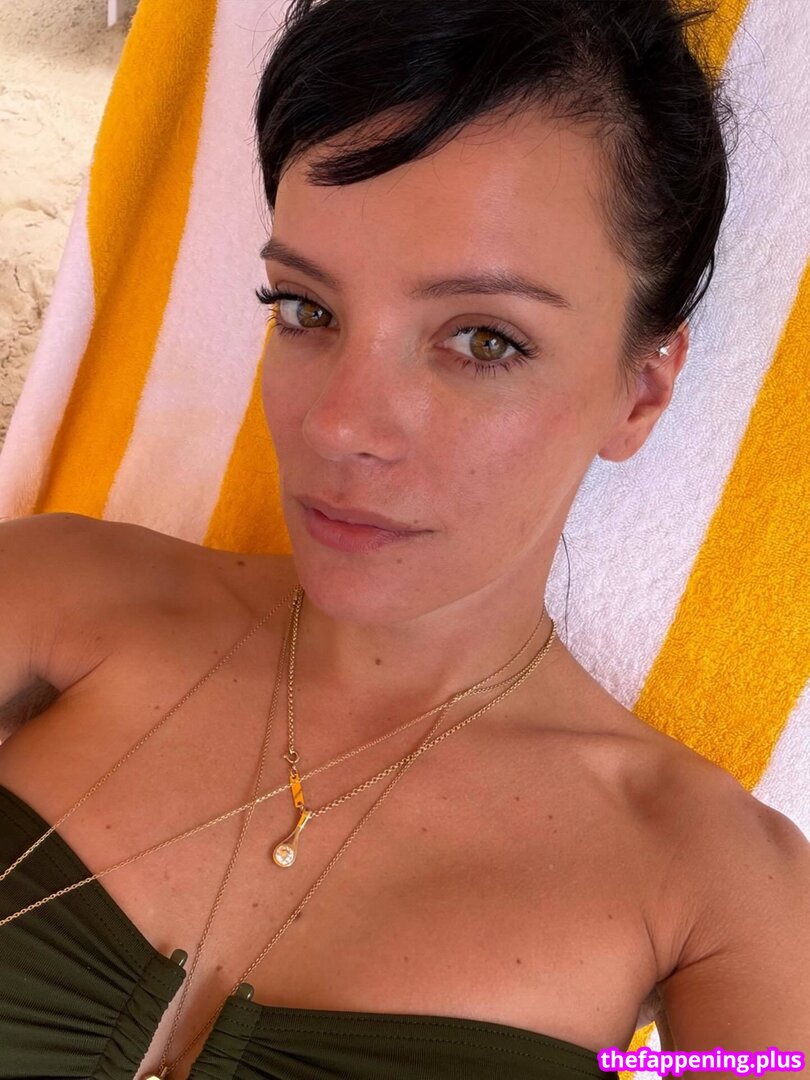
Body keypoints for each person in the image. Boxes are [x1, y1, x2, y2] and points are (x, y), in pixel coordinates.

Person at [1, 1, 808, 1078]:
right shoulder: (59, 594)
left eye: (484, 339)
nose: (340, 426)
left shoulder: (719, 890)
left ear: (641, 389)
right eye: (306, 309)